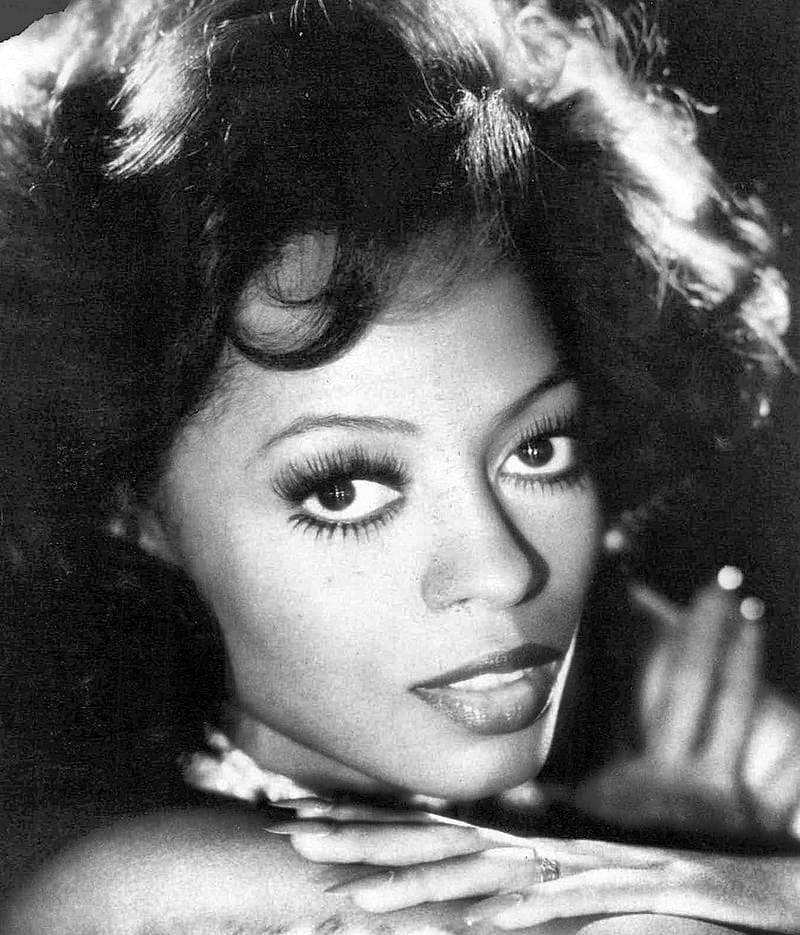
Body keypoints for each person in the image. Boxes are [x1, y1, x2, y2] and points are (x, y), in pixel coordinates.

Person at [0, 1, 798, 932]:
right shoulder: (139, 892)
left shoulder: (618, 714)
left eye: (537, 449)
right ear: (134, 508)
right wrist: (726, 874)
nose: (501, 571)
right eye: (343, 490)